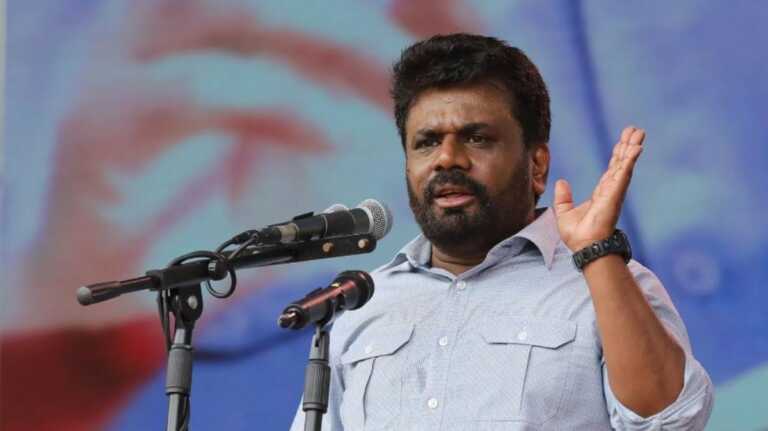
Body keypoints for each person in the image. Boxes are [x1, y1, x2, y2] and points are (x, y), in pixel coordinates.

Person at [290, 33, 713, 431]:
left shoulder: (609, 283)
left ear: (537, 165)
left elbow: (671, 420)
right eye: (427, 142)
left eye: (476, 138)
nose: (446, 159)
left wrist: (597, 252)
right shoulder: (362, 303)